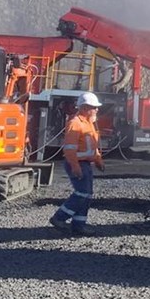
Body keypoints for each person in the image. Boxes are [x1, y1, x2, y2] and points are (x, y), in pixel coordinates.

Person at [49, 92, 105, 235]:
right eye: (94, 107)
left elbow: (92, 147)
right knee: (82, 193)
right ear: (85, 108)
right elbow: (70, 149)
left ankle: (79, 225)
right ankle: (59, 218)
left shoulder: (88, 124)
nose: (97, 110)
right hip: (78, 164)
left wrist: (98, 160)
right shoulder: (75, 123)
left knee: (86, 195)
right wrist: (75, 166)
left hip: (85, 164)